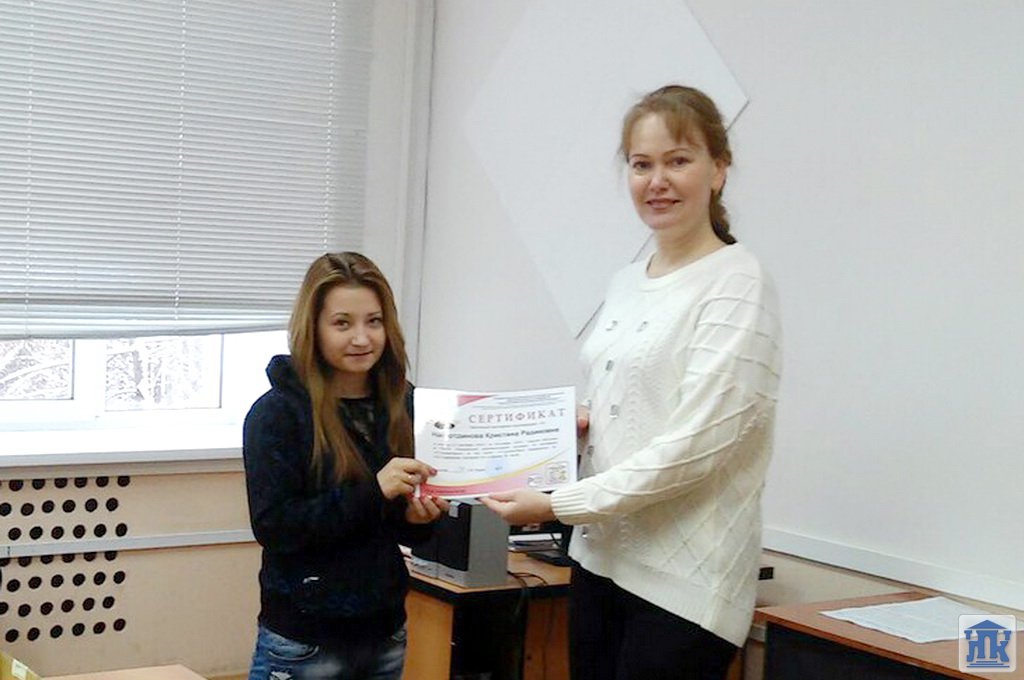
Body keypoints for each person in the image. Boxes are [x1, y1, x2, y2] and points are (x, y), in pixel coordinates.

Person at [480, 85, 783, 679]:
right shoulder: (626, 281)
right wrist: (573, 424)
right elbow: (636, 402)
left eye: (678, 160)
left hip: (683, 585)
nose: (657, 181)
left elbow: (695, 447)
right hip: (600, 558)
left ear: (719, 169)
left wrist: (558, 504)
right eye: (642, 165)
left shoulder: (738, 283)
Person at [243, 252, 447, 680]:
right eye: (342, 323)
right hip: (305, 640)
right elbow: (276, 526)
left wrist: (416, 520)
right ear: (313, 328)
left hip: (384, 631)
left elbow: (392, 528)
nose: (361, 338)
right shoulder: (277, 414)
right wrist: (375, 490)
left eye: (374, 321)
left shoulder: (405, 405)